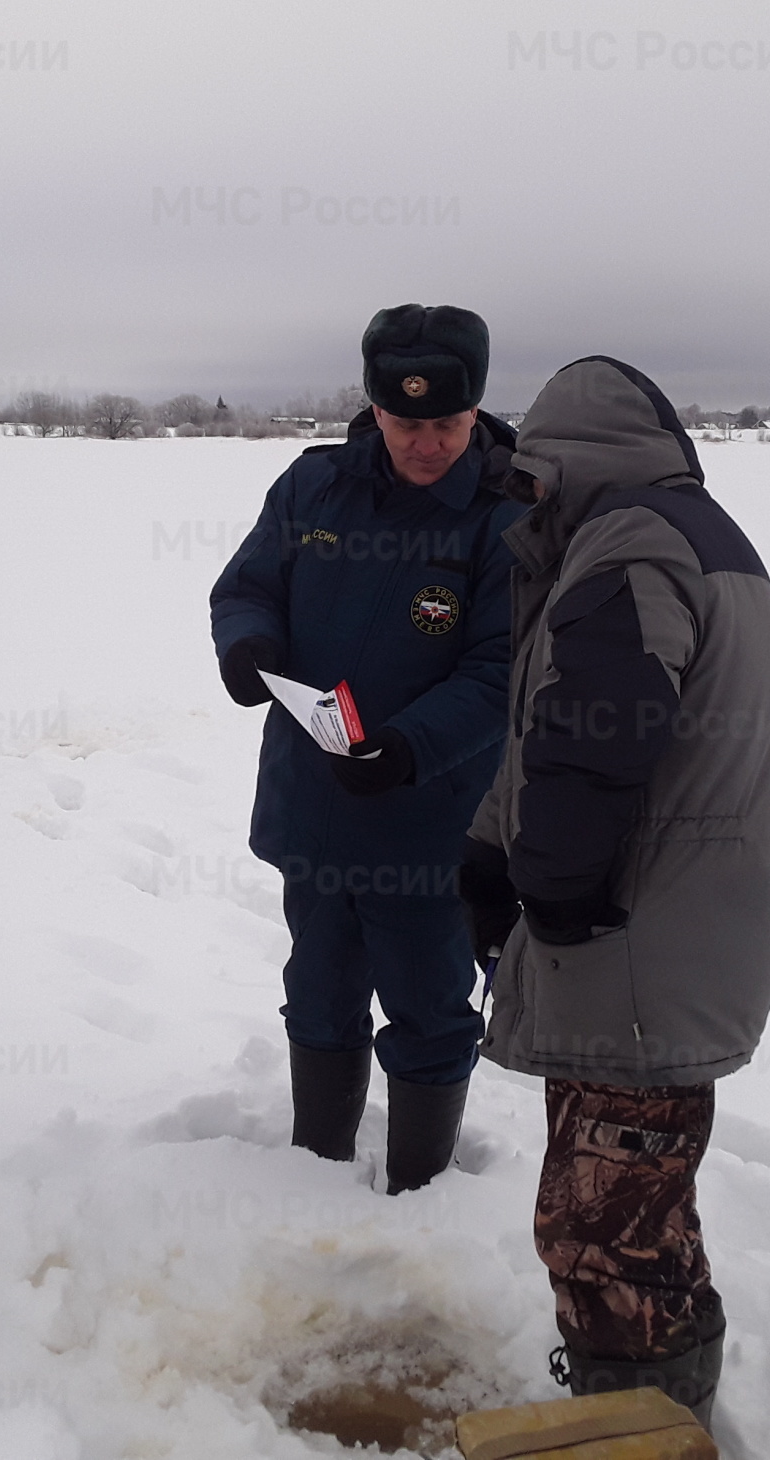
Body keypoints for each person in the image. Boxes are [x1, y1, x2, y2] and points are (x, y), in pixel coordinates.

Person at [458, 356, 770, 1429]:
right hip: (660, 940)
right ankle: (663, 1425)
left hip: (636, 949)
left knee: (600, 1241)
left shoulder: (632, 543)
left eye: (531, 483)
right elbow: (552, 731)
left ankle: (636, 1434)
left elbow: (591, 745)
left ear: (562, 463)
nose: (524, 505)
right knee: (641, 1224)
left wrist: (544, 894)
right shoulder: (678, 535)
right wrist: (486, 850)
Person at [210, 305, 524, 1192]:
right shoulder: (313, 488)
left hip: (430, 823)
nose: (427, 445)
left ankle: (421, 1194)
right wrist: (248, 646)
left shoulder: (506, 518)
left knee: (430, 1011)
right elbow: (246, 585)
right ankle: (318, 1172)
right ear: (374, 409)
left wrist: (410, 747)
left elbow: (503, 669)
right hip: (312, 811)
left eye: (448, 425)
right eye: (406, 423)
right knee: (317, 994)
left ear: (478, 412)